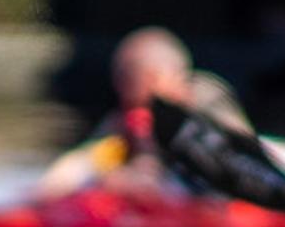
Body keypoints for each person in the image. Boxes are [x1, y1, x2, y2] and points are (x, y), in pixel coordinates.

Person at [29, 28, 254, 200]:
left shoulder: (206, 101)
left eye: (132, 79)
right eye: (122, 80)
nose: (122, 90)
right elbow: (85, 162)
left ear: (162, 77)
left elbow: (242, 165)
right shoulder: (124, 122)